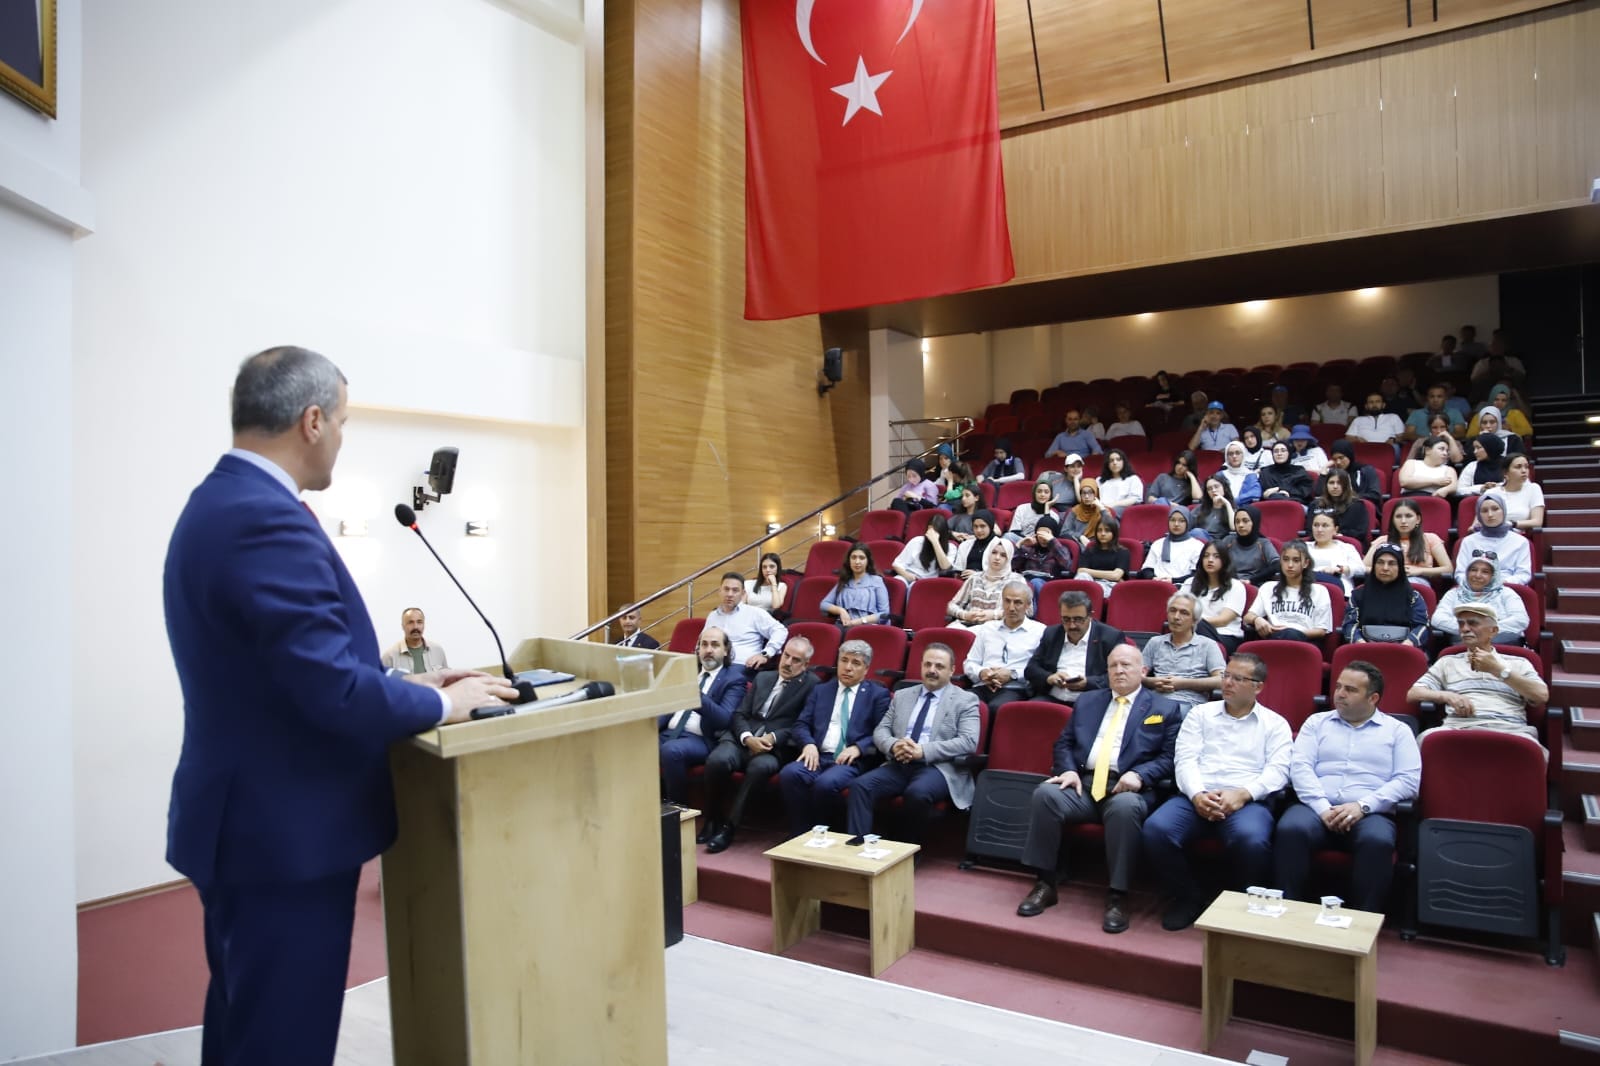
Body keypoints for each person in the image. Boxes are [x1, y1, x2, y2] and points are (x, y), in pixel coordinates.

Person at [164, 346, 520, 1066]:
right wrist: (441, 710)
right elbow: (331, 689)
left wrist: (415, 687)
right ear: (313, 420)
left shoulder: (218, 502)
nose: (343, 437)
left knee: (244, 1027)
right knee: (280, 1042)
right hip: (282, 835)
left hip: (249, 822)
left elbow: (288, 676)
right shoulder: (265, 520)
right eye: (346, 422)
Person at [1015, 645, 1181, 933]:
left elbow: (1169, 758)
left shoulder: (1163, 708)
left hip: (1128, 788)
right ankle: (1045, 882)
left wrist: (1140, 775)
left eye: (1126, 665)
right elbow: (1064, 743)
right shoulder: (1089, 701)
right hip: (1084, 782)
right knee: (1046, 795)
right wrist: (1066, 769)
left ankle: (1118, 894)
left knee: (1125, 808)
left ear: (1143, 671)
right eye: (1113, 665)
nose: (1119, 670)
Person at [1141, 652, 1292, 931]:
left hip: (1246, 801)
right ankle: (1188, 896)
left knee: (1252, 839)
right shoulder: (1201, 714)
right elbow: (1184, 760)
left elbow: (1278, 772)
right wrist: (1197, 794)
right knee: (1156, 829)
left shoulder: (1275, 724)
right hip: (1196, 795)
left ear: (1258, 686)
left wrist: (1243, 794)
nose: (1227, 683)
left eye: (1238, 678)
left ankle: (1240, 903)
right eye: (1225, 676)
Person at [1275, 661, 1420, 912]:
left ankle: (1365, 920)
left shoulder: (1398, 731)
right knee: (1291, 829)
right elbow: (1300, 768)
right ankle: (1288, 911)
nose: (1339, 694)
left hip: (1369, 811)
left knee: (1378, 840)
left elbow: (1407, 780)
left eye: (1350, 690)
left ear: (1373, 697)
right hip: (1316, 807)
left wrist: (1362, 806)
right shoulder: (1316, 723)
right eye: (1339, 686)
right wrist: (1322, 808)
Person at [845, 643, 982, 845]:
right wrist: (894, 746)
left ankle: (907, 849)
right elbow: (881, 730)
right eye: (927, 664)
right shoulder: (902, 695)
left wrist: (923, 751)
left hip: (938, 767)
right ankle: (857, 846)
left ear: (952, 670)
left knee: (917, 793)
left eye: (939, 666)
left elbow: (968, 741)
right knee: (860, 786)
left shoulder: (965, 700)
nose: (932, 670)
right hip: (899, 763)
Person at [700, 636, 818, 852]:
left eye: (796, 660)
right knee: (717, 760)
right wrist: (746, 737)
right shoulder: (763, 677)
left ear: (806, 665)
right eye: (786, 656)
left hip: (773, 747)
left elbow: (802, 723)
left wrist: (773, 738)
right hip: (742, 739)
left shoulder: (812, 685)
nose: (788, 663)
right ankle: (712, 819)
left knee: (760, 767)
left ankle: (729, 828)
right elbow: (740, 713)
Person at [777, 640, 891, 836]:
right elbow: (801, 724)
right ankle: (801, 832)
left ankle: (828, 832)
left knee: (826, 784)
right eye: (844, 660)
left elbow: (882, 732)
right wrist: (809, 744)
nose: (848, 667)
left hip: (851, 761)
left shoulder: (878, 695)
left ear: (866, 669)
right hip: (818, 756)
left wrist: (858, 747)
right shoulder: (821, 690)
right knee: (790, 774)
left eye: (856, 663)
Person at [1407, 603, 1549, 746]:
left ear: (1493, 631)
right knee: (1425, 741)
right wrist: (1447, 696)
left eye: (1473, 623)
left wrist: (1499, 671)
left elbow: (1541, 695)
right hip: (1458, 728)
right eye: (1461, 624)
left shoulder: (1519, 663)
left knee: (1532, 750)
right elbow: (1413, 693)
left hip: (1510, 730)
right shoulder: (1448, 662)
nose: (1465, 629)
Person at [660, 627, 750, 804]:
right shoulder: (687, 672)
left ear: (726, 651)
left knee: (671, 751)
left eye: (715, 645)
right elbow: (665, 708)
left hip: (701, 739)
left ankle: (677, 810)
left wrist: (695, 694)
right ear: (698, 649)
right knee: (635, 744)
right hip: (668, 733)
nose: (708, 650)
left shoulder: (734, 679)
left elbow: (724, 719)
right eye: (704, 645)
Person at [1025, 589, 1128, 705]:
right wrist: (1049, 678)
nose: (1072, 625)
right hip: (1051, 699)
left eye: (1078, 619)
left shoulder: (1110, 637)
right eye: (1066, 619)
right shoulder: (1052, 633)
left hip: (1091, 702)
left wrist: (1088, 683)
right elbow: (1031, 669)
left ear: (1090, 616)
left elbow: (1122, 674)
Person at [964, 579, 1047, 711]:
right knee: (959, 702)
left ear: (1028, 605)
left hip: (1015, 689)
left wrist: (1012, 674)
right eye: (1007, 601)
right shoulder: (987, 629)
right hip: (983, 685)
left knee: (996, 708)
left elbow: (1040, 670)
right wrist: (982, 673)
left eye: (1018, 602)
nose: (1011, 607)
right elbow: (970, 663)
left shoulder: (1040, 631)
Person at [1141, 592, 1225, 708]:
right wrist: (1154, 682)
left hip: (1189, 703)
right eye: (1172, 610)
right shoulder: (1155, 642)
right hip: (1155, 700)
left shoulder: (1208, 645)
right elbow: (1137, 675)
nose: (1176, 617)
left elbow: (1221, 680)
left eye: (1184, 613)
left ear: (1195, 621)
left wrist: (1183, 683)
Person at [1243, 540, 1332, 643]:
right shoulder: (1268, 588)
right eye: (1285, 559)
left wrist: (1292, 633)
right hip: (1274, 638)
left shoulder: (1319, 591)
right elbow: (1247, 617)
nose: (1290, 565)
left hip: (1304, 642)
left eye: (1296, 560)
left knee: (1289, 633)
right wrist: (1257, 619)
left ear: (1305, 563)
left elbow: (1321, 631)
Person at [1340, 545, 1428, 647]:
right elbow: (1350, 625)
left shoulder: (1413, 597)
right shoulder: (1358, 595)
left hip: (1404, 649)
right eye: (1380, 562)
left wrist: (1407, 645)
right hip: (1365, 650)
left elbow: (1422, 626)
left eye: (1392, 563)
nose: (1385, 568)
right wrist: (1361, 644)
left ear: (1400, 567)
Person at [1433, 557, 1529, 645]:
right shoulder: (1454, 593)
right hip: (1464, 642)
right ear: (1467, 573)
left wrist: (1482, 630)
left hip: (1501, 642)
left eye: (1485, 572)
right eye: (1473, 570)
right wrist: (1469, 629)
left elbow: (1520, 620)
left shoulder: (1506, 593)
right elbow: (1438, 619)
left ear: (1493, 576)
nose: (1478, 575)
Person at [707, 572, 788, 668]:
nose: (729, 594)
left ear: (743, 594)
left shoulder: (754, 613)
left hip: (740, 666)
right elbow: (701, 643)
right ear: (719, 591)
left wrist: (765, 654)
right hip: (712, 665)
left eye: (735, 590)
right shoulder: (713, 616)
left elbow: (780, 630)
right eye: (726, 589)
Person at [1366, 498, 1453, 586]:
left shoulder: (1431, 538)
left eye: (1408, 516)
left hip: (1417, 581)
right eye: (1398, 516)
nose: (1403, 521)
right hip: (1386, 582)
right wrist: (1392, 570)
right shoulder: (1382, 541)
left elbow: (1448, 568)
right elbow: (1363, 567)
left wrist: (1420, 571)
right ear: (1393, 520)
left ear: (1418, 519)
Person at [1454, 493, 1533, 585]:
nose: (1490, 514)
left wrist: (1498, 584)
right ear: (1479, 515)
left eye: (1495, 509)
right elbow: (1460, 574)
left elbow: (1523, 575)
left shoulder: (1520, 542)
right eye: (1484, 511)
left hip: (1508, 589)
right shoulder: (1468, 541)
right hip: (1475, 590)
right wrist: (1477, 585)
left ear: (1503, 511)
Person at [1189, 541, 1248, 653]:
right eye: (1206, 556)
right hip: (1193, 632)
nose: (1210, 560)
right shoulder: (1190, 583)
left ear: (1225, 560)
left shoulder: (1236, 586)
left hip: (1225, 636)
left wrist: (1191, 623)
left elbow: (1223, 620)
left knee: (1199, 629)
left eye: (1216, 556)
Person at [949, 538, 1016, 628]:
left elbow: (1026, 611)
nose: (997, 558)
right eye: (994, 552)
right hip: (969, 624)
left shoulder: (1016, 581)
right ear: (988, 553)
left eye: (1003, 555)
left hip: (997, 627)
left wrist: (994, 615)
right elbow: (951, 606)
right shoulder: (975, 578)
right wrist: (965, 615)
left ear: (1009, 558)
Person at [820, 543, 891, 628]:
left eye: (861, 558)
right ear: (849, 560)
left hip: (867, 627)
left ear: (867, 561)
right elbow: (824, 604)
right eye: (853, 557)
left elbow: (884, 614)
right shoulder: (843, 581)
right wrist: (841, 610)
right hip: (843, 626)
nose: (857, 562)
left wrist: (859, 621)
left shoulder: (877, 581)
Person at [1012, 515, 1075, 601]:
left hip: (1049, 586)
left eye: (1046, 534)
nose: (1043, 538)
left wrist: (1052, 542)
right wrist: (1019, 545)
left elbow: (1068, 565)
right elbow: (1012, 566)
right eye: (1040, 534)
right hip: (1026, 583)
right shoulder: (1029, 547)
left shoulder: (1059, 549)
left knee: (1036, 582)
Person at [1305, 511, 1366, 596]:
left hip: (1339, 591)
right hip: (1308, 590)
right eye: (1316, 525)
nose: (1319, 529)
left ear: (1335, 529)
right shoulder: (1304, 547)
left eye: (1325, 525)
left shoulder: (1347, 548)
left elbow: (1361, 569)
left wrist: (1341, 569)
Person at [1308, 468, 1370, 546]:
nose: (1335, 486)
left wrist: (1340, 536)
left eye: (1339, 483)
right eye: (1331, 483)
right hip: (1320, 545)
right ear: (1326, 484)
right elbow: (1310, 531)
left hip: (1349, 545)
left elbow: (1360, 532)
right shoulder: (1315, 505)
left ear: (1346, 485)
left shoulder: (1357, 505)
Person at [1221, 505, 1281, 584]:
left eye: (1245, 521)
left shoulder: (1263, 543)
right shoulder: (1228, 540)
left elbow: (1277, 564)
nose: (1240, 525)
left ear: (1254, 522)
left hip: (1253, 585)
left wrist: (1251, 580)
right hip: (1228, 583)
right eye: (1237, 522)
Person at [891, 512, 955, 585]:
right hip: (909, 575)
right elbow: (897, 564)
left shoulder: (951, 547)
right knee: (898, 581)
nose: (931, 534)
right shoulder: (917, 541)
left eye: (935, 532)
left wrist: (935, 542)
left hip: (928, 582)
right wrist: (907, 575)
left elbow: (945, 567)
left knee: (914, 586)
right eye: (929, 530)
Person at [1318, 439, 1384, 510]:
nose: (1338, 462)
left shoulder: (1366, 470)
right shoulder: (1334, 473)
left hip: (1362, 509)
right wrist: (1323, 472)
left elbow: (1375, 495)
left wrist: (1348, 498)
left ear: (1349, 455)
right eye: (1334, 459)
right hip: (1336, 510)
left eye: (1341, 457)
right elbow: (1319, 494)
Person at [380, 607, 449, 673]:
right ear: (403, 626)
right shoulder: (390, 656)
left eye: (419, 622)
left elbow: (446, 680)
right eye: (410, 622)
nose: (415, 627)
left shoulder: (438, 651)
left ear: (424, 624)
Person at [1076, 516, 1132, 595]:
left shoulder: (1123, 552)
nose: (1102, 534)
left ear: (1114, 533)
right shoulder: (1089, 551)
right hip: (1090, 583)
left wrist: (1088, 571)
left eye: (1107, 530)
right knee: (1082, 576)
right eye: (1099, 530)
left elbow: (1116, 576)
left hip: (1110, 586)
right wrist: (1109, 574)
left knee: (1088, 588)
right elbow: (1081, 571)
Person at [1147, 507, 1204, 583]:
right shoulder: (1158, 544)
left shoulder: (1197, 546)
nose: (1176, 524)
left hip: (1183, 588)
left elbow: (1196, 575)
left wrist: (1173, 581)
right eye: (1173, 520)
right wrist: (1153, 578)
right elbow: (1147, 569)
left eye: (1181, 521)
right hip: (1156, 584)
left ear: (1188, 522)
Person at [1496, 454, 1545, 530]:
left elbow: (1537, 521)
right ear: (1505, 473)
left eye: (1526, 467)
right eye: (1518, 467)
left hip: (1518, 535)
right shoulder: (1492, 492)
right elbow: (1477, 523)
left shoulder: (1533, 488)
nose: (1524, 471)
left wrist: (1513, 524)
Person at [1468, 384, 1533, 440]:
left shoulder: (1515, 413)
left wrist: (1510, 429)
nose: (1500, 403)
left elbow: (1528, 431)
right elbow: (1470, 435)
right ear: (1491, 398)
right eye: (1496, 399)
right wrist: (1488, 430)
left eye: (1503, 400)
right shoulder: (1480, 415)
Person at [1257, 440, 1313, 504]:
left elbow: (1304, 492)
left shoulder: (1299, 470)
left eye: (1283, 450)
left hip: (1295, 503)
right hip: (1270, 504)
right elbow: (1262, 494)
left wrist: (1279, 489)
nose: (1279, 454)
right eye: (1276, 451)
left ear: (1289, 453)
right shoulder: (1265, 472)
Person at [1096, 448, 1145, 515]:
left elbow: (1134, 498)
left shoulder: (1133, 479)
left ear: (1123, 462)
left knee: (1108, 513)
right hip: (1099, 509)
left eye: (1118, 459)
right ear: (1108, 464)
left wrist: (1113, 504)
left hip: (1120, 510)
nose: (1115, 463)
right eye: (1111, 460)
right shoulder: (1099, 480)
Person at [952, 508, 999, 575]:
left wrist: (977, 575)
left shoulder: (1000, 545)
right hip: (966, 582)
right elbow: (958, 570)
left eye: (982, 526)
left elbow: (1000, 573)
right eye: (975, 526)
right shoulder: (965, 545)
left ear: (990, 526)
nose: (978, 530)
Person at [1060, 477, 1105, 546]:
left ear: (1096, 493)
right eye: (1083, 493)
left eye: (1090, 492)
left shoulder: (1102, 510)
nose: (1086, 496)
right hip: (1078, 544)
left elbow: (1111, 529)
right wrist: (1080, 536)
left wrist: (1102, 509)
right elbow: (1064, 532)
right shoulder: (1075, 510)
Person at [1217, 441, 1261, 506]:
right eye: (1230, 454)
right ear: (1227, 457)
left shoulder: (1250, 475)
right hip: (1223, 510)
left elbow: (1256, 493)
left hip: (1245, 511)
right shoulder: (1219, 475)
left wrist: (1232, 502)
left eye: (1237, 453)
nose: (1234, 456)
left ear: (1243, 455)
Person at [1195, 476, 1237, 540]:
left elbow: (1234, 528)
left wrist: (1227, 504)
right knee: (1196, 532)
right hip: (1200, 539)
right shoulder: (1201, 508)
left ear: (1224, 488)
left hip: (1218, 544)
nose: (1213, 490)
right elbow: (1186, 524)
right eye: (1209, 489)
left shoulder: (1231, 509)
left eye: (1216, 487)